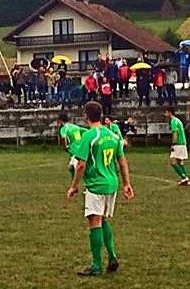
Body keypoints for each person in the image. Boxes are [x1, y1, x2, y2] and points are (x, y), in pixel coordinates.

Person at [67, 101, 134, 277]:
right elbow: (122, 161)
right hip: (112, 183)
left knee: (94, 222)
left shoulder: (89, 136)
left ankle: (96, 265)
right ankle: (112, 257)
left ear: (85, 116)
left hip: (96, 184)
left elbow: (81, 165)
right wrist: (126, 183)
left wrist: (73, 186)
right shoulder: (112, 135)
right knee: (102, 220)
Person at [165, 108, 190, 186]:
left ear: (170, 113)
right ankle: (186, 179)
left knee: (173, 162)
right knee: (180, 162)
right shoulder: (177, 120)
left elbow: (175, 133)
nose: (165, 114)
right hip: (182, 143)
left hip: (178, 144)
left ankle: (184, 177)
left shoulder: (173, 121)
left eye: (166, 112)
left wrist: (173, 144)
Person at [57, 112, 84, 182]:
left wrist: (65, 147)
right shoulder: (75, 126)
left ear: (60, 120)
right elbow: (85, 132)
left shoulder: (64, 129)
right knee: (71, 167)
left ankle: (74, 184)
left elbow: (64, 138)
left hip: (74, 150)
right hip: (80, 148)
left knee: (74, 167)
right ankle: (74, 183)